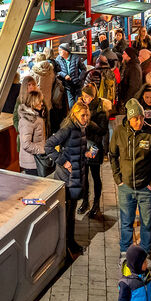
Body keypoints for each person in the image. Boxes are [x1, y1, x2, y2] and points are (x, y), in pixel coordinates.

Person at [109, 99, 151, 263]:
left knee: (147, 224)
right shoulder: (119, 132)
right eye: (136, 118)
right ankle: (125, 253)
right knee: (126, 222)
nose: (139, 121)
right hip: (125, 187)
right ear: (129, 117)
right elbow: (112, 155)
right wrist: (118, 179)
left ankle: (145, 254)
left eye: (141, 117)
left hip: (145, 188)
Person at [45, 99, 90, 260]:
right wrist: (64, 161)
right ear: (75, 114)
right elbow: (48, 146)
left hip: (76, 177)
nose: (85, 118)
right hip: (66, 178)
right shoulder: (68, 128)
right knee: (66, 215)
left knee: (71, 214)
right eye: (83, 115)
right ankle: (65, 247)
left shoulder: (81, 128)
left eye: (87, 115)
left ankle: (71, 242)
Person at [79, 82, 109, 219]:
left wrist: (89, 122)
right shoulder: (80, 108)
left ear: (93, 96)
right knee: (84, 175)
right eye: (84, 96)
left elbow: (103, 131)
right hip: (83, 144)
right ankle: (85, 201)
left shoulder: (101, 110)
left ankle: (96, 204)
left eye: (88, 97)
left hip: (95, 146)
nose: (86, 99)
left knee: (95, 175)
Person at [17, 88, 47, 175]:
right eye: (40, 101)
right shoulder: (28, 120)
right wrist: (42, 150)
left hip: (36, 160)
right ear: (33, 103)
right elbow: (26, 144)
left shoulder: (36, 116)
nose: (42, 103)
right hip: (32, 161)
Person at [55, 42, 86, 108]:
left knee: (79, 103)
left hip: (77, 85)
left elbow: (84, 69)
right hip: (68, 85)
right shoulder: (58, 59)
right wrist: (64, 75)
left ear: (66, 51)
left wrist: (80, 78)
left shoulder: (76, 58)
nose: (59, 52)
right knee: (71, 105)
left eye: (61, 50)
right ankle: (73, 117)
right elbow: (57, 71)